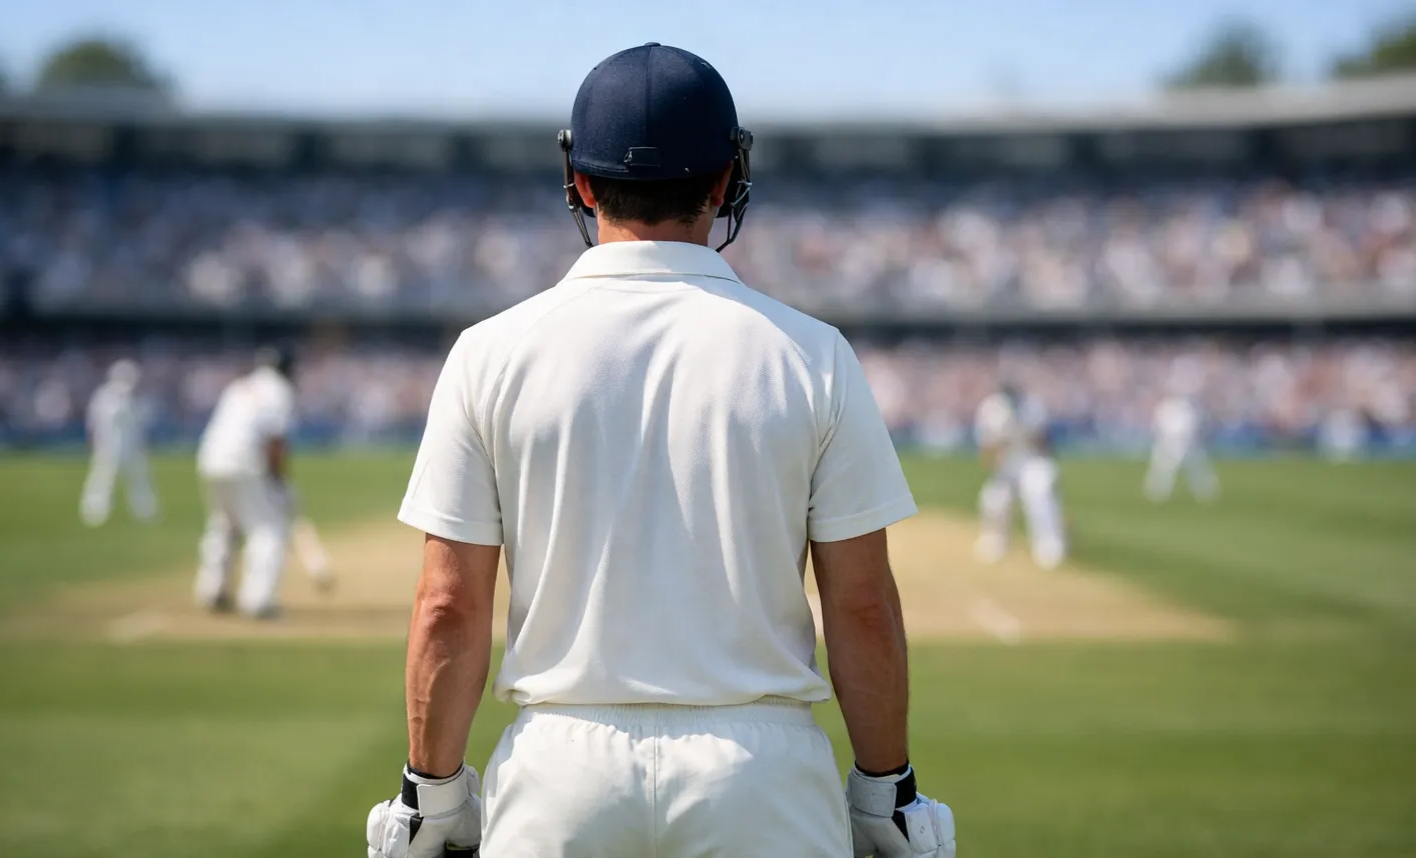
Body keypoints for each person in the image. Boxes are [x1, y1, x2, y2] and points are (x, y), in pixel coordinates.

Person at [366, 43, 955, 858]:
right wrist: (883, 793)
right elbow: (859, 605)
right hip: (760, 771)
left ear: (578, 181)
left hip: (557, 771)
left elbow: (449, 605)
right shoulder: (812, 354)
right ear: (723, 180)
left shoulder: (488, 352)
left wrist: (428, 799)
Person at [192, 346, 297, 618]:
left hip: (211, 458)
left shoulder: (239, 385)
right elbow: (275, 443)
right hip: (245, 461)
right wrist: (279, 484)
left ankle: (213, 590)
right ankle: (258, 600)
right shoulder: (279, 390)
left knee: (224, 525)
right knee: (268, 528)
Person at [973, 382, 1066, 570]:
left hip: (1033, 460)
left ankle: (1049, 545)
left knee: (1038, 492)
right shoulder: (990, 410)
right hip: (1007, 462)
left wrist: (1026, 434)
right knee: (994, 499)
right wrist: (998, 449)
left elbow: (1045, 444)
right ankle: (995, 542)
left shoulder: (1033, 407)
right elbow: (985, 452)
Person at [79, 359, 157, 527]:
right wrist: (94, 441)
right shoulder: (105, 396)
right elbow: (95, 422)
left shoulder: (136, 398)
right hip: (109, 447)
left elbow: (140, 425)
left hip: (132, 448)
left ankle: (145, 512)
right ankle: (95, 511)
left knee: (139, 480)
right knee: (103, 478)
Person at [1144, 392, 1218, 502]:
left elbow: (1192, 426)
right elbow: (1158, 425)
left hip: (1185, 443)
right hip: (1168, 442)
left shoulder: (1185, 408)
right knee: (1164, 469)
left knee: (1195, 468)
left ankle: (1206, 491)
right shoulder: (1166, 407)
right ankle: (1158, 493)